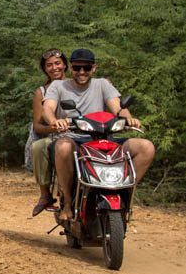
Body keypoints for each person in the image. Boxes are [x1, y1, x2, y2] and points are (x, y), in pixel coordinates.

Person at [42, 49, 155, 221]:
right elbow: (47, 108)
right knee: (63, 146)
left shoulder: (102, 84)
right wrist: (55, 121)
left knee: (146, 147)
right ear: (70, 68)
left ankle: (123, 196)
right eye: (77, 67)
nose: (81, 72)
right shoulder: (58, 86)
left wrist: (129, 120)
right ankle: (67, 203)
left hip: (103, 139)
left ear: (93, 68)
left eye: (86, 68)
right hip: (73, 138)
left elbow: (118, 107)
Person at [26, 48, 66, 216]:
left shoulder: (76, 86)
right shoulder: (41, 92)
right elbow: (37, 126)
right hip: (54, 136)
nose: (54, 68)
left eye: (57, 63)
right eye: (49, 65)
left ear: (65, 65)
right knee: (38, 147)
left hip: (78, 134)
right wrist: (55, 127)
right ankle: (45, 194)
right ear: (45, 69)